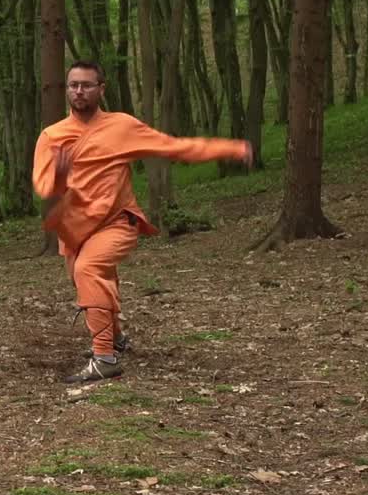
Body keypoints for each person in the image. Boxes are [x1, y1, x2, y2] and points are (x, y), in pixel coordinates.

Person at [33, 61, 252, 383]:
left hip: (117, 222)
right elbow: (43, 186)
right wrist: (61, 175)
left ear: (101, 89)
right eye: (73, 85)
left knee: (89, 270)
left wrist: (230, 148)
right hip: (75, 227)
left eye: (87, 85)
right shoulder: (52, 136)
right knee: (90, 282)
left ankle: (105, 358)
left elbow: (173, 147)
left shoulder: (121, 126)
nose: (79, 91)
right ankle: (116, 337)